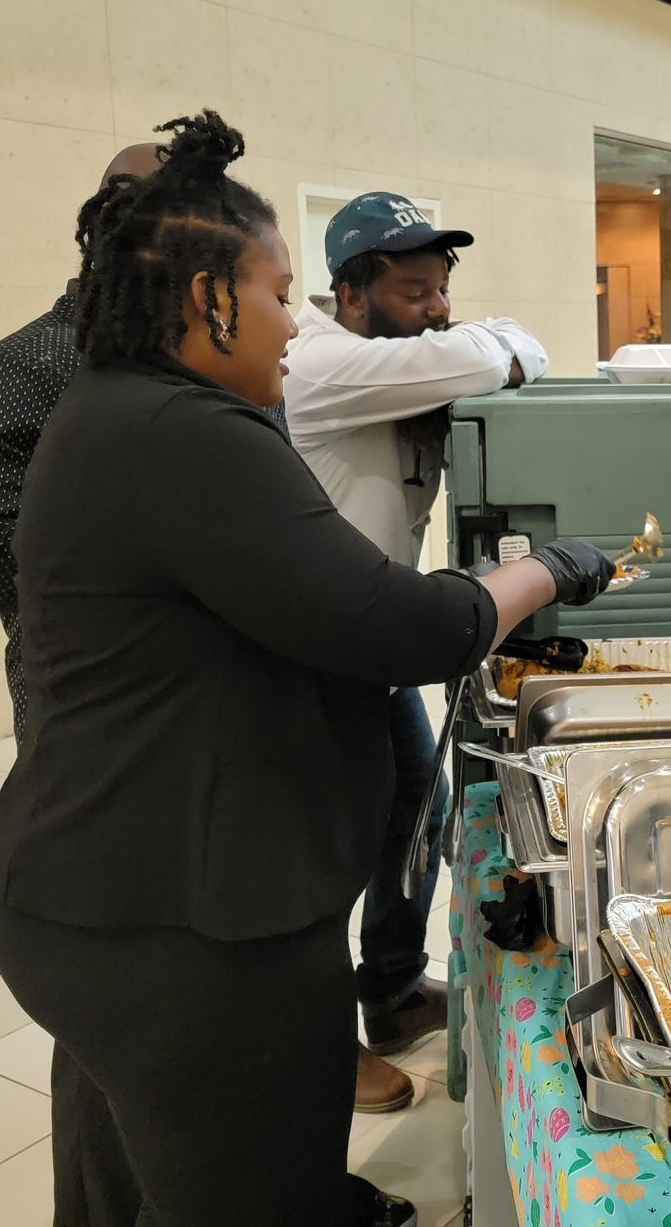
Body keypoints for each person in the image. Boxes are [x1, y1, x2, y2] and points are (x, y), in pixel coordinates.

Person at [0, 110, 613, 1225]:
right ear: (207, 297)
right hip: (179, 923)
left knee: (133, 1182)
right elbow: (402, 624)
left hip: (113, 889)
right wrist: (546, 574)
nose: (292, 329)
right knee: (247, 1187)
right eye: (278, 298)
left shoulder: (121, 411)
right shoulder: (187, 434)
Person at [0, 138, 171, 1227]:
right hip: (88, 758)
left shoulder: (194, 364)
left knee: (187, 1029)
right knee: (110, 1033)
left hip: (200, 745)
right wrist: (134, 525)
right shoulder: (19, 371)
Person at [283, 191, 550, 1113]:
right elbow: (502, 350)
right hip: (310, 656)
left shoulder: (396, 364)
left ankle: (392, 992)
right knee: (328, 850)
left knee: (414, 804)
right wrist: (487, 346)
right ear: (349, 294)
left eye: (442, 288)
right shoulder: (321, 363)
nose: (437, 308)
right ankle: (318, 1046)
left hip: (375, 640)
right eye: (412, 289)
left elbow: (496, 347)